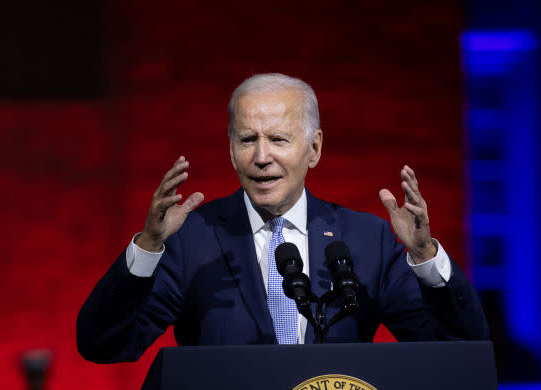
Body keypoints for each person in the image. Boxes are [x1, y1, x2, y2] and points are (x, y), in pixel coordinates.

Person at [76, 72, 489, 363]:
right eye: (247, 140)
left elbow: (460, 348)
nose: (261, 157)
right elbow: (104, 345)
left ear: (314, 149)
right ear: (230, 149)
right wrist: (148, 248)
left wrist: (427, 258)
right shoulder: (192, 239)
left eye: (277, 139)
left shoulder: (367, 240)